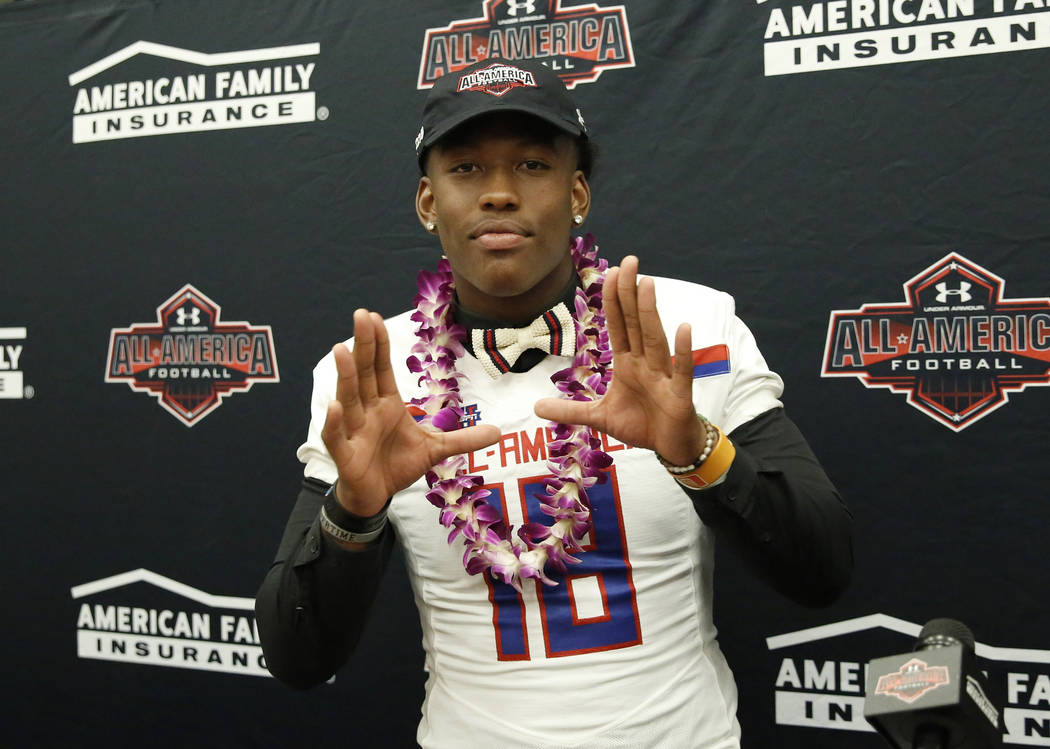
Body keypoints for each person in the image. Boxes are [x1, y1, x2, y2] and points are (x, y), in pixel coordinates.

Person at [256, 58, 852, 748]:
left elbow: (824, 569)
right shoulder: (371, 372)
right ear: (428, 202)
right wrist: (352, 513)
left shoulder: (686, 329)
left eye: (533, 165)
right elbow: (296, 657)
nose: (500, 193)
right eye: (467, 169)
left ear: (578, 194)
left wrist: (700, 455)